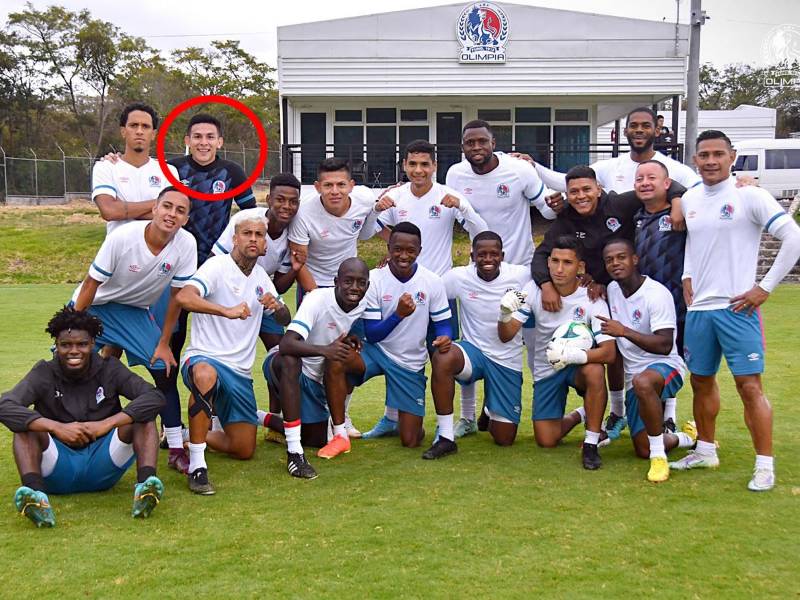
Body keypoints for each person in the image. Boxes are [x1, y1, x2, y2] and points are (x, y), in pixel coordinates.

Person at [670, 130, 800, 492]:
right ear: (695, 160)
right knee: (700, 381)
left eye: (718, 154)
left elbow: (794, 238)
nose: (710, 161)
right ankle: (706, 450)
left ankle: (764, 464)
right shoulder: (692, 197)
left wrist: (764, 287)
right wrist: (687, 274)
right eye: (704, 155)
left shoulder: (750, 195)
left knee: (749, 386)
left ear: (732, 157)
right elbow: (694, 241)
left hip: (737, 308)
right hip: (700, 310)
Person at [532, 165, 685, 439]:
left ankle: (669, 417)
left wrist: (676, 202)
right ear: (567, 195)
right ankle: (616, 412)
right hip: (600, 292)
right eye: (574, 192)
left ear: (598, 189)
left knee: (653, 343)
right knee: (615, 347)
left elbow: (660, 186)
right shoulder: (566, 217)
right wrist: (546, 284)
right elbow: (542, 254)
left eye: (586, 190)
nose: (581, 196)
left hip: (627, 282)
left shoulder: (618, 203)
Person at [363, 139, 488, 439]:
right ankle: (392, 417)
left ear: (434, 166)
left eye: (425, 164)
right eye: (412, 164)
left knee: (448, 353)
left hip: (439, 291)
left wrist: (464, 208)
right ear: (404, 166)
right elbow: (368, 231)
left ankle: (467, 417)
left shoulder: (448, 195)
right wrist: (375, 212)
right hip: (403, 288)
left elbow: (482, 231)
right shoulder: (395, 196)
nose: (418, 170)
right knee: (398, 352)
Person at [0, 307, 166, 527]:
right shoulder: (44, 372)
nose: (74, 351)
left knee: (142, 417)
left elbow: (154, 396)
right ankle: (36, 496)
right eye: (65, 345)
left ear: (93, 344)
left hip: (103, 463)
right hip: (58, 468)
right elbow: (5, 405)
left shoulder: (110, 368)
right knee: (26, 426)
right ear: (56, 346)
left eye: (82, 344)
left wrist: (106, 424)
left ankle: (146, 488)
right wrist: (57, 427)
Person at [71, 187, 197, 474]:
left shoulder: (187, 244)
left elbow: (177, 299)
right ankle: (63, 436)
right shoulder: (123, 237)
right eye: (166, 206)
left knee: (164, 367)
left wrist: (164, 343)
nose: (172, 214)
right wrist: (72, 325)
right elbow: (91, 285)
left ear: (186, 219)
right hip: (95, 306)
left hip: (133, 312)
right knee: (68, 367)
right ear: (154, 208)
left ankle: (176, 448)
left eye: (180, 211)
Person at [445, 119, 557, 431]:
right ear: (463, 147)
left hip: (522, 273)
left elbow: (547, 210)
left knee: (530, 345)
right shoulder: (455, 174)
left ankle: (533, 412)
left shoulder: (518, 170)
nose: (477, 148)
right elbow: (458, 216)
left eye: (483, 142)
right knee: (473, 341)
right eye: (470, 143)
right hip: (479, 271)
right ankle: (467, 417)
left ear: (494, 143)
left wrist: (557, 202)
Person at [176, 212, 290, 494]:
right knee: (204, 375)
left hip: (239, 372)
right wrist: (225, 310)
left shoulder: (262, 277)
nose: (253, 239)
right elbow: (184, 297)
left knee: (243, 448)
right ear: (235, 238)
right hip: (205, 356)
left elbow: (285, 319)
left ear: (265, 245)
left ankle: (190, 436)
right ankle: (197, 467)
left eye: (259, 235)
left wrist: (277, 306)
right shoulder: (216, 266)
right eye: (247, 234)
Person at [328, 223, 454, 457]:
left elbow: (443, 323)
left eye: (410, 250)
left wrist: (444, 336)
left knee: (411, 440)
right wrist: (398, 315)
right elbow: (373, 333)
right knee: (340, 360)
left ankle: (397, 420)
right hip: (376, 351)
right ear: (388, 248)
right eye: (397, 249)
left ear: (419, 250)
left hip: (409, 361)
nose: (403, 256)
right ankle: (338, 428)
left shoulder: (432, 281)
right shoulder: (374, 279)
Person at [499, 236, 616, 470]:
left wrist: (573, 355)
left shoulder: (592, 296)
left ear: (580, 267)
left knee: (594, 371)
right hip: (547, 368)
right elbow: (506, 335)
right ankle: (580, 413)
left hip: (579, 366)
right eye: (555, 261)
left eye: (567, 262)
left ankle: (591, 443)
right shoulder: (533, 290)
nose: (560, 269)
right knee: (546, 440)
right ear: (548, 263)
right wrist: (504, 313)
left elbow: (609, 353)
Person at [599, 239, 696, 482]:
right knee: (641, 447)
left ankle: (659, 458)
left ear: (635, 259)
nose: (615, 263)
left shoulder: (656, 294)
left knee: (643, 382)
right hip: (636, 378)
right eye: (609, 260)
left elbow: (664, 345)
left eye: (621, 257)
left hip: (667, 367)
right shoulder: (612, 290)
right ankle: (687, 438)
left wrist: (625, 331)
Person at [264, 258, 369, 470]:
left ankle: (268, 419)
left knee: (314, 439)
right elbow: (287, 344)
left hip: (317, 376)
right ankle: (259, 416)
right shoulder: (317, 299)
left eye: (361, 283)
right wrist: (325, 349)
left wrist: (350, 339)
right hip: (287, 365)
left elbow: (343, 330)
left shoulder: (362, 303)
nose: (355, 288)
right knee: (290, 362)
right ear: (336, 281)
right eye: (348, 281)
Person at [433, 232, 531, 446]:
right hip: (473, 353)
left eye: (493, 254)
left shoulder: (521, 275)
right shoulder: (458, 277)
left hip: (506, 359)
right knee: (443, 356)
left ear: (502, 256)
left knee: (504, 438)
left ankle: (490, 408)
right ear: (472, 256)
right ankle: (445, 435)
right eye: (482, 254)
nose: (488, 259)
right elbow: (432, 291)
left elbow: (542, 280)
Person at [533, 107, 700, 194]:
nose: (639, 130)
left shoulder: (675, 169)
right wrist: (534, 166)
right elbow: (566, 182)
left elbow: (701, 192)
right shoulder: (611, 167)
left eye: (646, 126)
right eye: (633, 126)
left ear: (657, 131)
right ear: (625, 131)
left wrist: (677, 200)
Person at [92, 103, 179, 234]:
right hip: (119, 250)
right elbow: (109, 211)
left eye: (145, 126)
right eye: (133, 125)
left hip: (160, 250)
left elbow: (174, 215)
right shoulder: (105, 167)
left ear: (153, 134)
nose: (139, 131)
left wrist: (122, 209)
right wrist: (159, 203)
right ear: (123, 131)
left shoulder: (169, 171)